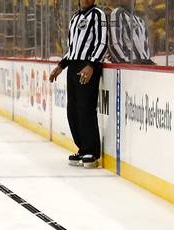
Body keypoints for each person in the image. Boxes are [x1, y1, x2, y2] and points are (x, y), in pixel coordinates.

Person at [49, 0, 108, 168]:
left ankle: (92, 151)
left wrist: (91, 65)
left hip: (88, 66)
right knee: (73, 109)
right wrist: (61, 66)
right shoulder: (75, 17)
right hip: (73, 66)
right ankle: (82, 148)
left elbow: (102, 43)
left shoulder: (98, 15)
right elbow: (73, 48)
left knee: (85, 108)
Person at [108, 0, 155, 64]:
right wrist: (124, 62)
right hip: (128, 64)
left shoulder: (139, 20)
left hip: (142, 64)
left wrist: (147, 60)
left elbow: (145, 45)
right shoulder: (117, 13)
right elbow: (114, 42)